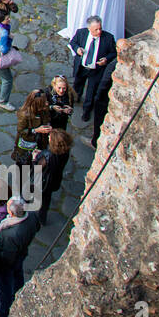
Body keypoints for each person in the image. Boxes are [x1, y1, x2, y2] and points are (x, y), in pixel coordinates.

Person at [0, 197, 40, 317]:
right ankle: (19, 292)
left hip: (8, 260)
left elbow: (7, 256)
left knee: (5, 284)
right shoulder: (32, 216)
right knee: (18, 273)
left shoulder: (10, 234)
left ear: (11, 213)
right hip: (22, 252)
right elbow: (37, 227)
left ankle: (3, 311)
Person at [68, 15, 116, 144]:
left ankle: (86, 111)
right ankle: (74, 98)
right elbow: (72, 42)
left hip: (96, 70)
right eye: (96, 30)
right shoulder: (81, 33)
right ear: (89, 29)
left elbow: (113, 52)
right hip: (82, 67)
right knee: (77, 85)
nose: (99, 32)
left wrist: (106, 59)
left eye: (100, 29)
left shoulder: (108, 38)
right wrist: (77, 49)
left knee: (91, 91)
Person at [35, 127, 73, 226]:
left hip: (43, 182)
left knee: (43, 199)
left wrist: (35, 157)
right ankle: (42, 218)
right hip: (55, 179)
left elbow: (37, 168)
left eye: (50, 137)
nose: (48, 138)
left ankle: (39, 217)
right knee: (46, 200)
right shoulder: (65, 151)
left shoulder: (47, 155)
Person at [12, 89, 52, 165]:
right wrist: (36, 130)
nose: (47, 104)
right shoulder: (24, 114)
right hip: (27, 145)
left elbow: (47, 118)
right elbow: (21, 130)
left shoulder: (44, 110)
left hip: (40, 141)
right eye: (44, 103)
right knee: (24, 166)